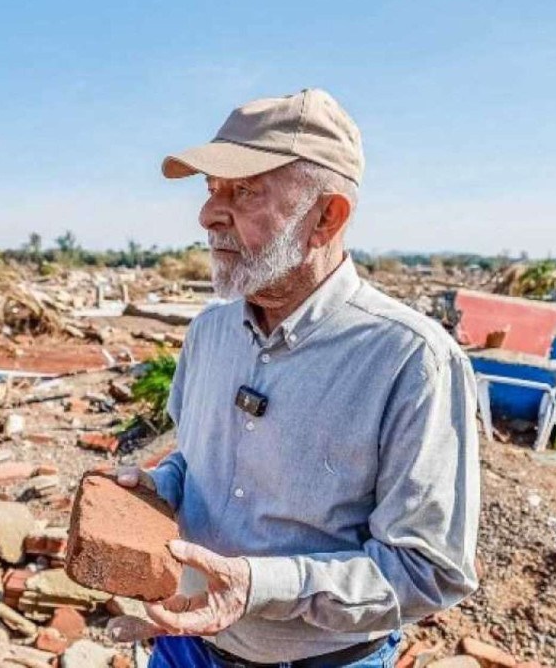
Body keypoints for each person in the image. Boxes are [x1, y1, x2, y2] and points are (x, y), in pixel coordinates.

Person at [111, 89, 480, 667]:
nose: (208, 215)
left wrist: (258, 586)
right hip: (187, 646)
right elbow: (196, 458)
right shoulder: (210, 332)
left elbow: (427, 571)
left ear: (326, 216)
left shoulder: (410, 360)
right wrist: (164, 487)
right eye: (210, 191)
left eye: (244, 191)